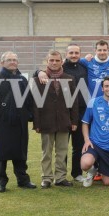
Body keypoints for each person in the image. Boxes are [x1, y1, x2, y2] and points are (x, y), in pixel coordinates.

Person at [0, 51, 35, 192]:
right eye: (9, 60)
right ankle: (0, 181)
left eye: (15, 60)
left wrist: (30, 116)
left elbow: (30, 101)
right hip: (2, 123)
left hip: (20, 123)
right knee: (1, 155)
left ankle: (23, 179)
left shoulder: (22, 80)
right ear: (2, 63)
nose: (13, 62)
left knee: (21, 153)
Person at [31, 50, 79, 188]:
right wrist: (37, 123)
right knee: (46, 152)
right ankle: (46, 178)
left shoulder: (69, 78)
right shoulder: (37, 80)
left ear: (61, 61)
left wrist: (74, 121)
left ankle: (60, 177)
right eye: (51, 60)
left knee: (62, 151)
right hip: (46, 121)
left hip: (64, 121)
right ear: (47, 61)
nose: (54, 63)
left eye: (57, 60)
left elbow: (73, 102)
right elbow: (35, 104)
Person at [80, 76, 109, 188]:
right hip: (95, 144)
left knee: (108, 182)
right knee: (85, 164)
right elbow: (85, 123)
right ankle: (91, 171)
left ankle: (102, 169)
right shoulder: (93, 102)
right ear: (102, 88)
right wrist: (87, 140)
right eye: (106, 86)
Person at [61, 44, 88, 183]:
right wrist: (38, 72)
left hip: (81, 111)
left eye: (76, 53)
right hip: (64, 112)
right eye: (71, 52)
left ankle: (76, 173)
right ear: (66, 54)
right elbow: (43, 72)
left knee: (78, 145)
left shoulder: (84, 67)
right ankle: (61, 175)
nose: (74, 55)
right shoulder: (60, 68)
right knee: (63, 146)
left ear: (80, 54)